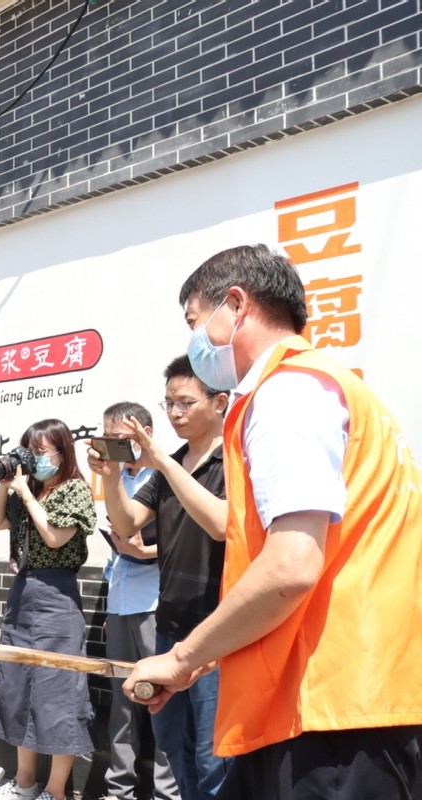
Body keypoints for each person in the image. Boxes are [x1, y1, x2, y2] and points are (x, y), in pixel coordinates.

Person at [124, 244, 422, 798]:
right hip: (346, 698)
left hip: (327, 709)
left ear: (235, 305)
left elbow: (289, 566)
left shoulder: (287, 391)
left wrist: (185, 657)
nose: (195, 343)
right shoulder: (336, 389)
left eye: (195, 323)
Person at [90, 356, 230, 800]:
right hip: (170, 624)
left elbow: (222, 524)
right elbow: (127, 521)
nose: (174, 413)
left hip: (217, 630)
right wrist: (112, 477)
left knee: (213, 758)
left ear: (220, 402)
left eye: (186, 402)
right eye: (168, 403)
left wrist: (163, 464)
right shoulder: (169, 464)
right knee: (174, 743)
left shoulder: (232, 460)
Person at [0, 418, 96, 800]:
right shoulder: (24, 490)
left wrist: (27, 497)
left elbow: (53, 535)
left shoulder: (74, 490)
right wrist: (4, 484)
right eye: (30, 451)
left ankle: (56, 791)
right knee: (17, 687)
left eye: (42, 451)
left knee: (59, 695)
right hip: (23, 594)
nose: (35, 459)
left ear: (64, 452)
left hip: (58, 597)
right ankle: (25, 783)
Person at [92, 403, 179, 800]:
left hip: (156, 603)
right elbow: (116, 547)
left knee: (163, 703)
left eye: (122, 439)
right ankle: (118, 790)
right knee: (121, 707)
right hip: (121, 601)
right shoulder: (115, 480)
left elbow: (187, 542)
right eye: (110, 439)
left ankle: (167, 793)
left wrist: (148, 553)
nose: (116, 448)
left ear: (144, 432)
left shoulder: (166, 475)